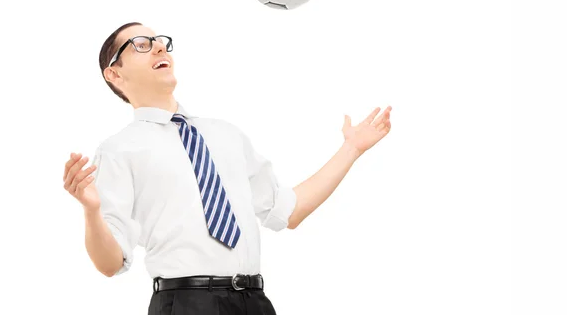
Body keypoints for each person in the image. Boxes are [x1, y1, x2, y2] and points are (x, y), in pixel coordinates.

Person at [62, 22, 392, 315]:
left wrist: (352, 149)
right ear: (114, 73)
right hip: (186, 304)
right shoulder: (119, 149)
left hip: (254, 300)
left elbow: (288, 212)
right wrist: (91, 210)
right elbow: (110, 263)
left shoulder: (225, 134)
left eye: (159, 40)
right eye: (141, 45)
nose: (159, 47)